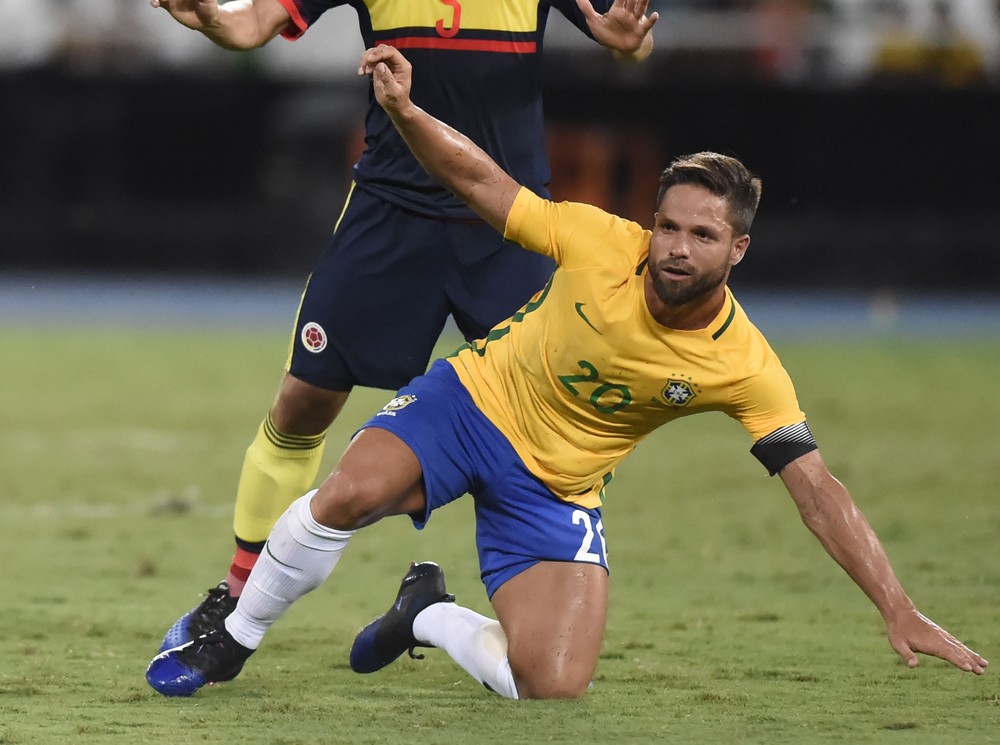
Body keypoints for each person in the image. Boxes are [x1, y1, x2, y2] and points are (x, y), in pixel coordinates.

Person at [146, 44, 988, 700]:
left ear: (739, 249)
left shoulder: (746, 364)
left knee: (549, 685)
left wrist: (895, 603)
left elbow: (816, 488)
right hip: (472, 404)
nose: (675, 248)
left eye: (701, 235)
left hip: (558, 487)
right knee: (346, 493)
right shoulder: (597, 242)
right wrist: (402, 110)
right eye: (667, 226)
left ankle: (426, 613)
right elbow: (483, 179)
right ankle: (233, 640)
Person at [147, 0, 658, 653]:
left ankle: (534, 619)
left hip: (510, 224)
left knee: (548, 427)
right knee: (302, 402)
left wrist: (625, 43)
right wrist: (212, 18)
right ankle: (239, 590)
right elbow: (250, 23)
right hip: (392, 218)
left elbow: (626, 36)